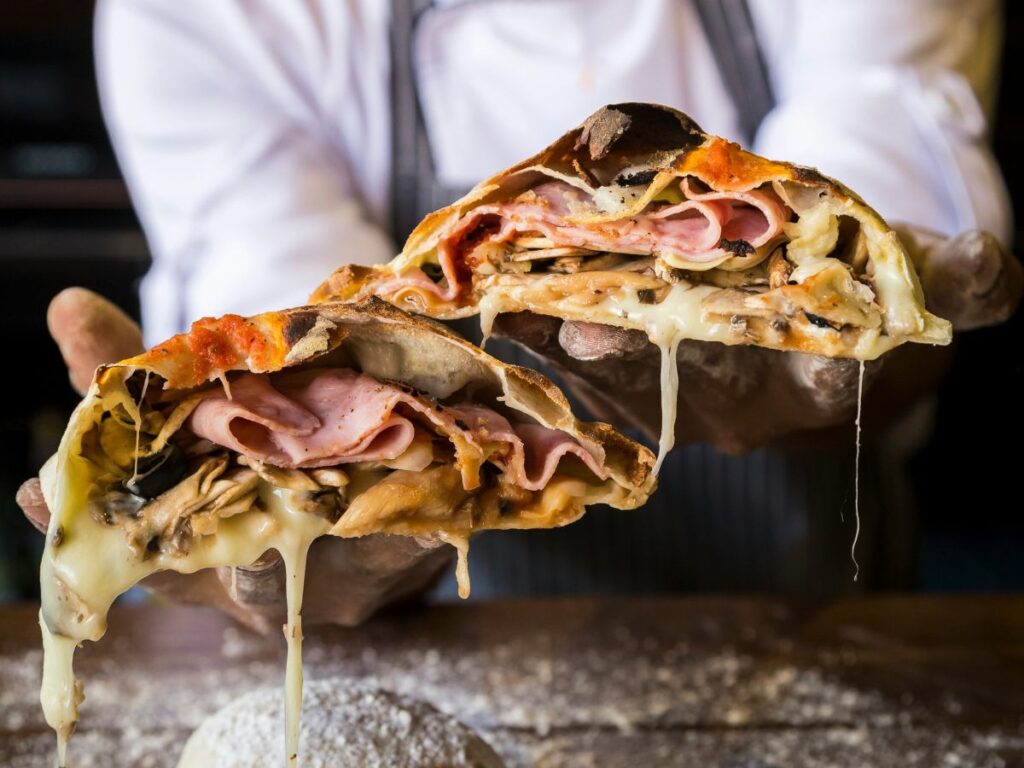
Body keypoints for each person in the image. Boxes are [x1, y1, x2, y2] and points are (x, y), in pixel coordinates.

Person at [17, 0, 1023, 631]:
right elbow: (285, 324)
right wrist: (315, 486)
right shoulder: (209, 14)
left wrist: (854, 308)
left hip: (813, 615)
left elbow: (883, 181)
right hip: (411, 653)